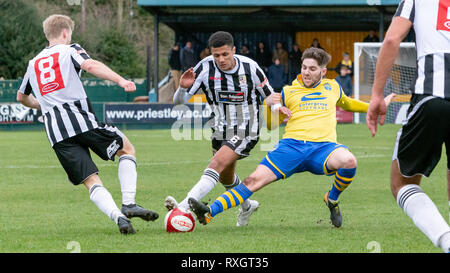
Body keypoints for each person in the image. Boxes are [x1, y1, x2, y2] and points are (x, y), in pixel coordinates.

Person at [188, 47, 394, 228]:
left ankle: (331, 199)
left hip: (324, 148)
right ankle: (208, 213)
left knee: (349, 161)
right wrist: (270, 107)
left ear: (323, 71)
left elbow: (348, 103)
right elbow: (270, 125)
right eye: (304, 67)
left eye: (312, 69)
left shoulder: (333, 87)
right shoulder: (288, 91)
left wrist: (377, 107)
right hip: (291, 147)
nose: (306, 72)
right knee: (253, 180)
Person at [16, 14, 158, 235]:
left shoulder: (32, 64)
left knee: (90, 180)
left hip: (56, 134)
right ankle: (129, 203)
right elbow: (90, 65)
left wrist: (43, 107)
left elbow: (21, 97)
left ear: (47, 35)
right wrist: (120, 80)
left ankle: (118, 217)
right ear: (65, 32)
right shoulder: (70, 49)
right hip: (82, 122)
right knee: (127, 149)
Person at [166, 31, 290, 227]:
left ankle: (182, 208)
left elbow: (268, 95)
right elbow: (179, 102)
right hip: (219, 128)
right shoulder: (205, 67)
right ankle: (248, 206)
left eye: (225, 54)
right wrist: (182, 88)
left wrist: (277, 107)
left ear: (233, 50)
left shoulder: (250, 67)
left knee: (216, 163)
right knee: (225, 176)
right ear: (211, 53)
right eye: (216, 55)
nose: (221, 59)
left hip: (246, 128)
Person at [366, 0, 450, 253]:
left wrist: (377, 95)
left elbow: (392, 41)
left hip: (433, 97)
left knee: (402, 182)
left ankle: (446, 241)